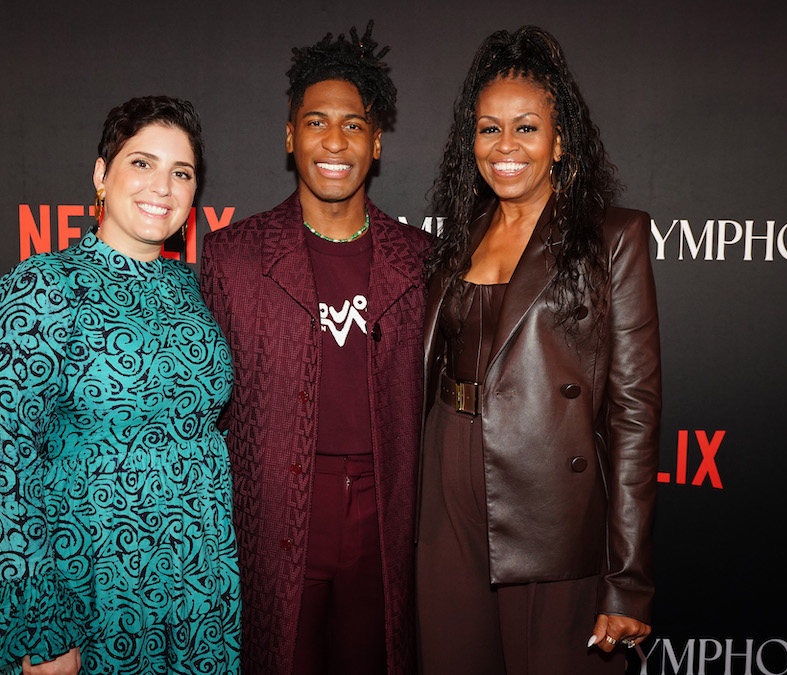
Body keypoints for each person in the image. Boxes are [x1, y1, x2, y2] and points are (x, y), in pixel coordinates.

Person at [0, 96, 240, 675]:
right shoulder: (40, 290)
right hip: (91, 583)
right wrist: (43, 628)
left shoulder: (196, 290)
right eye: (142, 163)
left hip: (199, 583)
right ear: (102, 175)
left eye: (181, 173)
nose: (162, 186)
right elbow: (5, 465)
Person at [417, 26, 661, 674]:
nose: (505, 147)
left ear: (559, 141)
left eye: (526, 128)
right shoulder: (457, 240)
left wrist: (628, 576)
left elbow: (632, 416)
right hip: (445, 488)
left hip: (549, 500)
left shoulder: (611, 239)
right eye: (488, 128)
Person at [200, 22, 430, 675]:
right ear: (290, 136)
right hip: (274, 512)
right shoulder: (233, 256)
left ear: (376, 141)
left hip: (385, 514)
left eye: (354, 125)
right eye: (317, 122)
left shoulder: (418, 260)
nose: (335, 141)